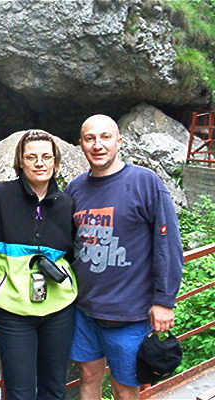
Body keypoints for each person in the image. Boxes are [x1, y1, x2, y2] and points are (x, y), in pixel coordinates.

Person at [67, 114, 184, 400]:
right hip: (84, 310)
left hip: (130, 314)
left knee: (124, 388)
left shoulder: (145, 182)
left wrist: (164, 301)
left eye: (105, 137)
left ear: (119, 141)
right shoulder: (75, 188)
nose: (98, 145)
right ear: (81, 144)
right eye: (90, 138)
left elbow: (168, 244)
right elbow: (67, 244)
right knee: (88, 376)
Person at [0, 130, 78, 400]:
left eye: (46, 157)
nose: (39, 163)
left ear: (56, 162)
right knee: (20, 392)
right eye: (31, 157)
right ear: (20, 162)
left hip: (59, 310)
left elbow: (77, 256)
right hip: (13, 312)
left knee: (55, 388)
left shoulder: (67, 205)